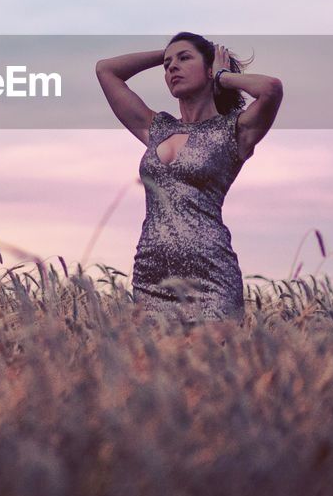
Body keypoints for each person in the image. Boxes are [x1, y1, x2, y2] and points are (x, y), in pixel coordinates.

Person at [94, 32, 284, 322]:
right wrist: (167, 53)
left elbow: (270, 88)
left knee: (209, 367)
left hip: (211, 280)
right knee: (153, 368)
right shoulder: (157, 129)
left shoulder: (235, 131)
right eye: (167, 65)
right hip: (151, 279)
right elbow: (106, 70)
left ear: (210, 70)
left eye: (184, 59)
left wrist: (221, 76)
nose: (172, 67)